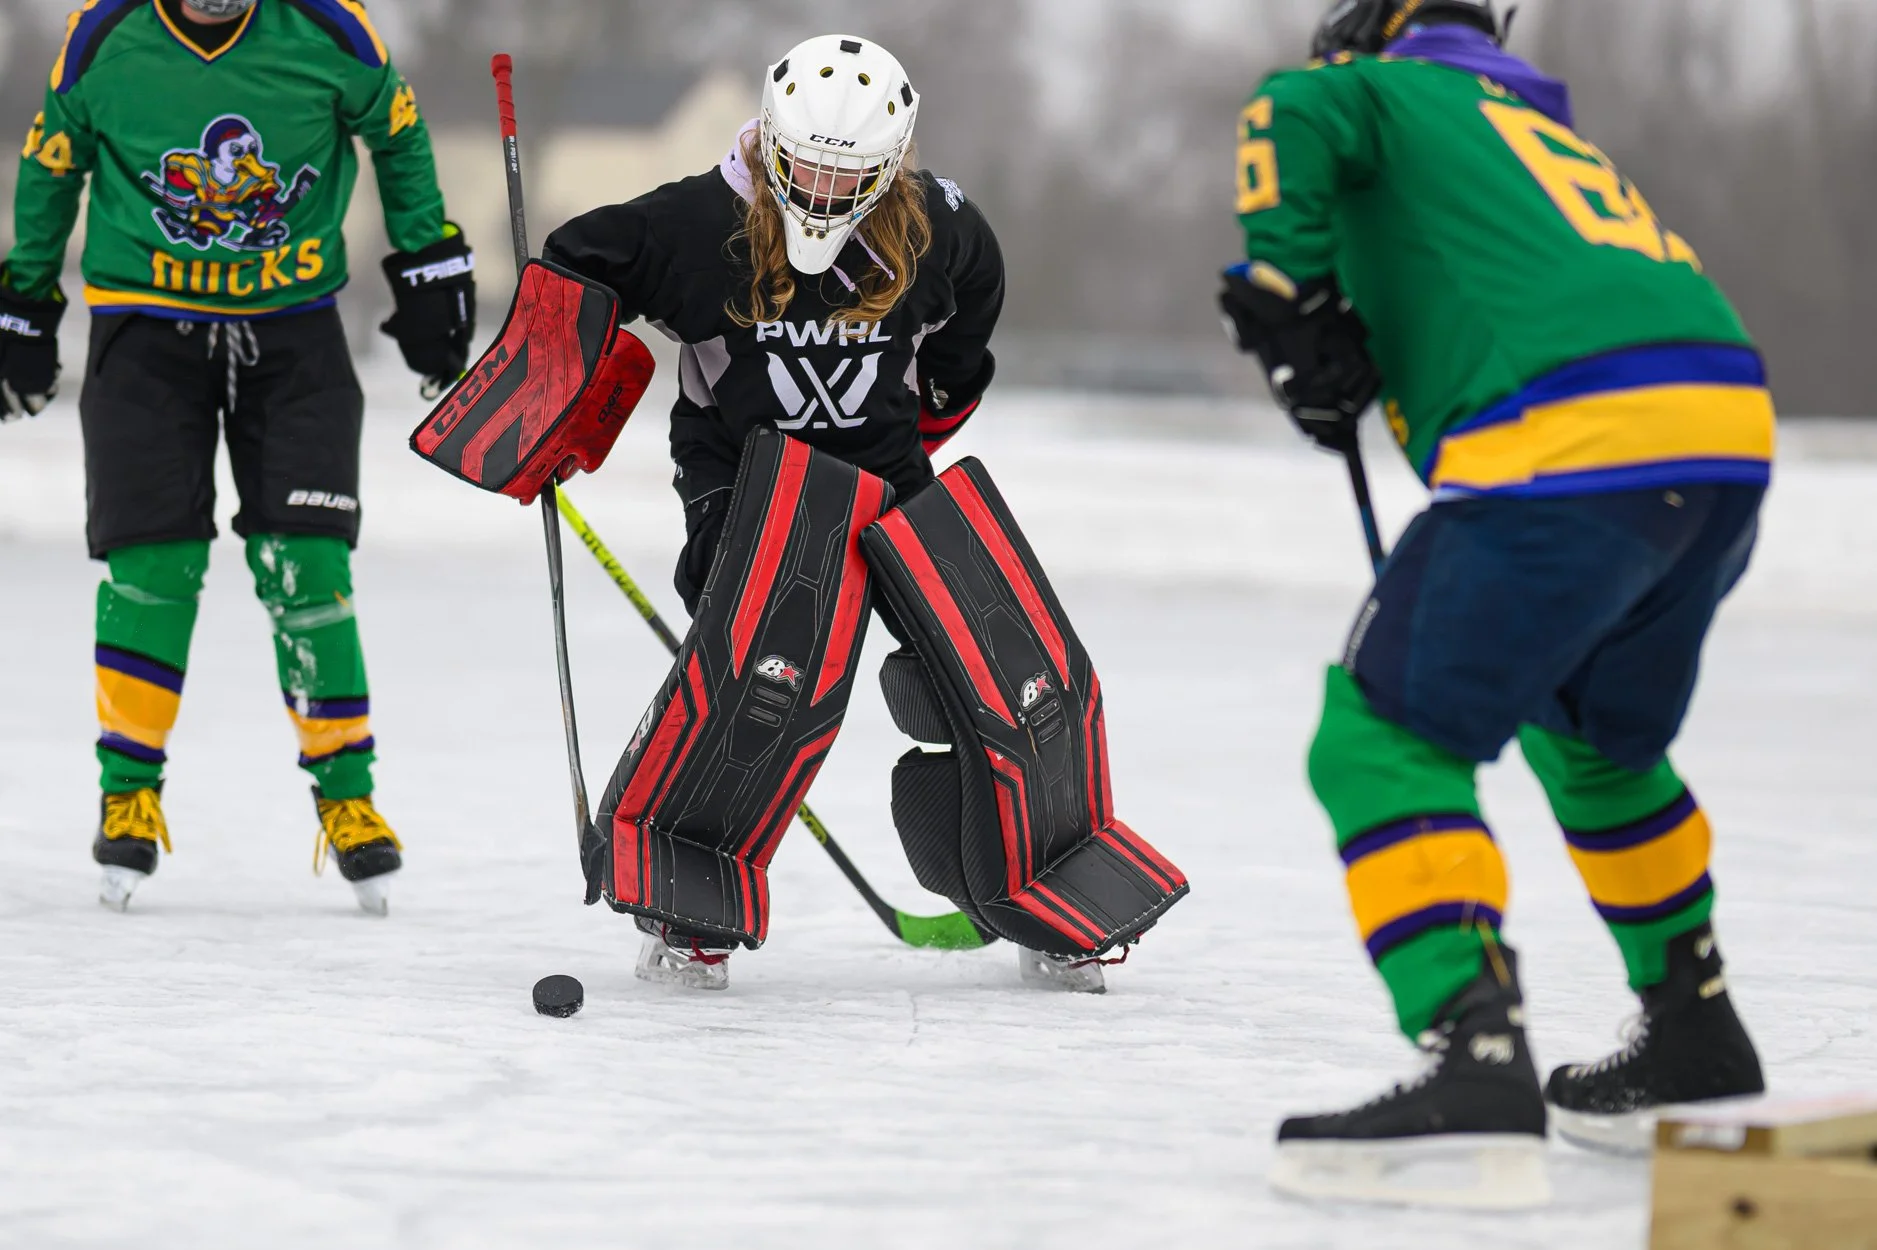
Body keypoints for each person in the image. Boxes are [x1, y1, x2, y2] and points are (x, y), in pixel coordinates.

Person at [1219, 0, 1771, 1206]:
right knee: (1594, 743)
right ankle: (1693, 1027)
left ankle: (1471, 1056)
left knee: (1377, 737)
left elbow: (1290, 108)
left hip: (1573, 443)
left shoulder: (1384, 87)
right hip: (1719, 435)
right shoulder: (1515, 118)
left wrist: (1285, 292)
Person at [541, 33, 1186, 992]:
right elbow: (573, 264)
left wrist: (941, 398)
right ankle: (687, 914)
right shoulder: (696, 221)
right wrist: (550, 391)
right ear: (770, 139)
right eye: (805, 165)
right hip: (748, 477)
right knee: (762, 680)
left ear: (889, 165)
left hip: (884, 468)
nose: (822, 190)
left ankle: (1044, 894)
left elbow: (976, 298)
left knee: (1012, 671)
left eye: (848, 175)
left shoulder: (935, 225)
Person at [0, 0, 476, 914]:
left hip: (294, 333)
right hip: (144, 330)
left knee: (309, 562)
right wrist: (24, 300)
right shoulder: (103, 35)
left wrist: (428, 263)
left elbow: (399, 133)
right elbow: (53, 162)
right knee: (154, 563)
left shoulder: (331, 31)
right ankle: (128, 792)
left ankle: (348, 800)